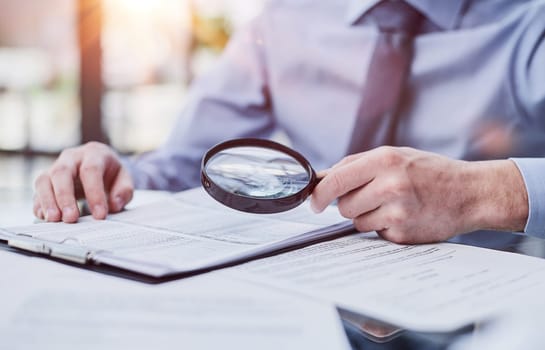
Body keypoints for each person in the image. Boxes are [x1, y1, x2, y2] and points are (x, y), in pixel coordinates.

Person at [33, 0, 545, 244]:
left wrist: (483, 192)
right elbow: (188, 164)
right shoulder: (282, 23)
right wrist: (113, 175)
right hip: (306, 295)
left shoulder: (530, 24)